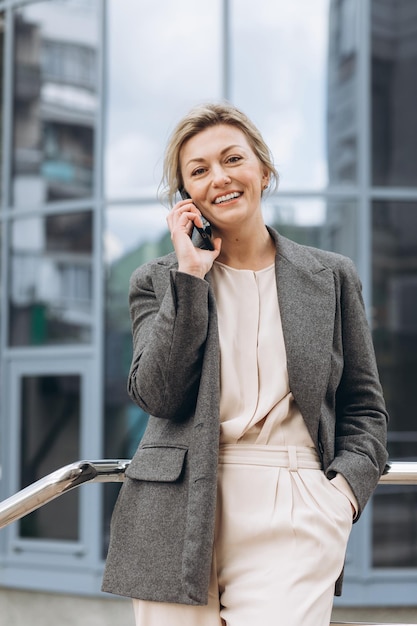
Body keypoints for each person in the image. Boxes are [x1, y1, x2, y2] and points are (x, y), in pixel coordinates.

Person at [102, 102, 389, 626]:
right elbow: (157, 394)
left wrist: (341, 498)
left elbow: (364, 408)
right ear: (184, 195)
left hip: (297, 507)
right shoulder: (157, 279)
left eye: (233, 158)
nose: (220, 178)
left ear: (264, 168)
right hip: (174, 508)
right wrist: (190, 277)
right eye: (199, 170)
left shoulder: (331, 276)